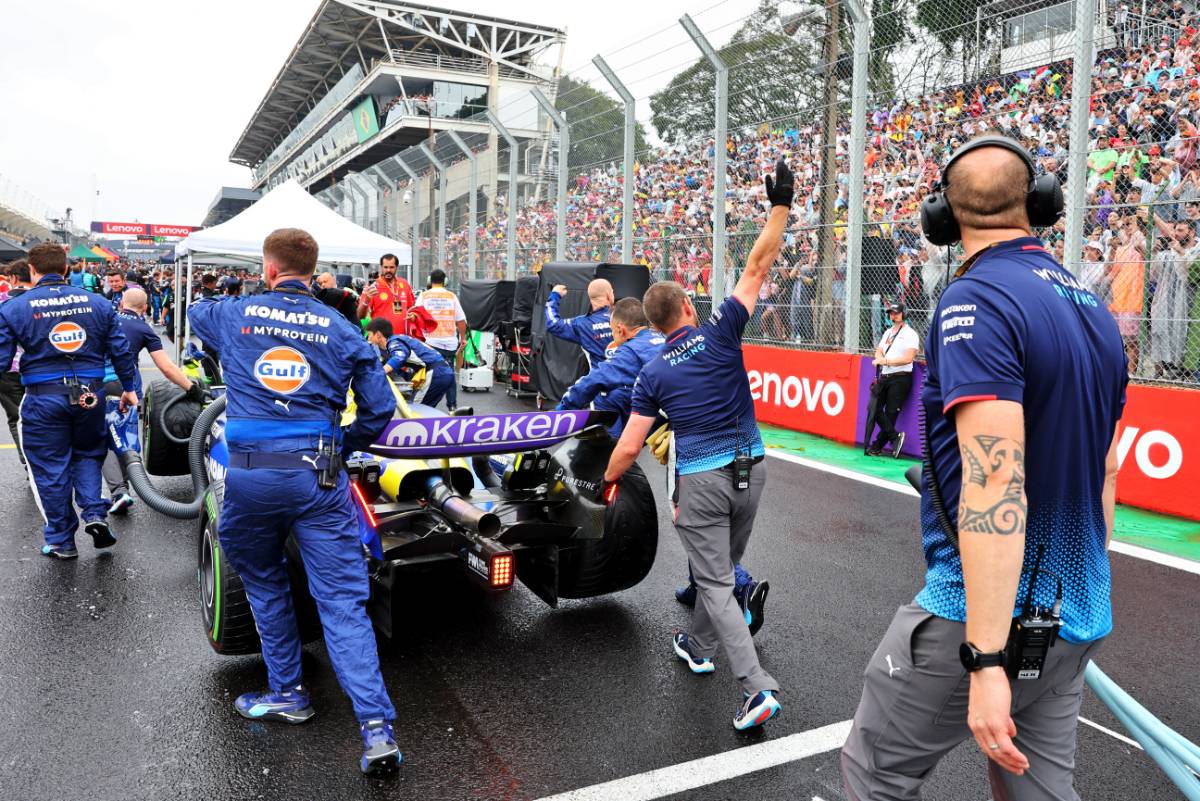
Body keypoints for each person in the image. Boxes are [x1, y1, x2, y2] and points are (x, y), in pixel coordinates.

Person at [841, 137, 1127, 801]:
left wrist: (988, 656)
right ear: (1040, 204)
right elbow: (1107, 468)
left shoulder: (975, 301)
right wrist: (1069, 592)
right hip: (1076, 612)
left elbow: (995, 481)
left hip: (976, 616)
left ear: (942, 217)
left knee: (874, 773)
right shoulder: (1096, 312)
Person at [188, 228, 401, 776]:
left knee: (263, 580)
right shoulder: (344, 328)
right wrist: (341, 446)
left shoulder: (235, 314)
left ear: (269, 268)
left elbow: (196, 312)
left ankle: (288, 692)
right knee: (342, 605)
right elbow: (378, 411)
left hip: (252, 477)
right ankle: (377, 731)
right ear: (314, 269)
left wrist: (248, 297)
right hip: (319, 478)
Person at [603, 158, 795, 731]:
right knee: (723, 570)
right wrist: (780, 206)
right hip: (752, 469)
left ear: (653, 325)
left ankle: (756, 687)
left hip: (702, 482)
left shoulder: (651, 373)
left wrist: (604, 484)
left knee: (714, 581)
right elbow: (758, 264)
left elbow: (629, 447)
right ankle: (698, 645)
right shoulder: (722, 329)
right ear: (688, 306)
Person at [0, 243, 138, 558]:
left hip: (43, 398)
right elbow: (120, 350)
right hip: (91, 395)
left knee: (50, 467)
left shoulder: (13, 308)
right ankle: (94, 513)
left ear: (32, 270)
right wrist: (129, 388)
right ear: (65, 269)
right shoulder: (99, 302)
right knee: (88, 454)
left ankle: (62, 540)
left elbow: (2, 359)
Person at [101, 288, 201, 514]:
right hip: (126, 386)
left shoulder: (105, 319)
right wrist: (191, 388)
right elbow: (166, 368)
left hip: (97, 383)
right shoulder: (144, 329)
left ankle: (119, 491)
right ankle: (122, 490)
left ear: (121, 303)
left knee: (105, 438)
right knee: (124, 436)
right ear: (145, 308)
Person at [555, 297, 665, 438]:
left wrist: (561, 411)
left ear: (620, 330)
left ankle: (611, 445)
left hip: (671, 417)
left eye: (612, 331)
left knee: (602, 395)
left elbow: (595, 379)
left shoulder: (630, 351)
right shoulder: (665, 338)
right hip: (680, 406)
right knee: (618, 394)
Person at [865, 302, 919, 457]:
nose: (893, 316)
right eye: (891, 313)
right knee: (873, 408)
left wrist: (886, 361)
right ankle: (895, 437)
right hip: (885, 376)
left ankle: (876, 447)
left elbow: (908, 358)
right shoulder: (888, 332)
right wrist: (880, 358)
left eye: (896, 313)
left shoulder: (910, 334)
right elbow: (879, 351)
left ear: (904, 314)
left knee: (890, 414)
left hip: (900, 378)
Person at [364, 317, 455, 409]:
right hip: (444, 371)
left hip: (436, 372)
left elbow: (398, 357)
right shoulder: (400, 339)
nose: (369, 338)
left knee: (414, 410)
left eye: (370, 334)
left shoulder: (394, 342)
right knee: (426, 409)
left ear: (378, 334)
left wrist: (377, 374)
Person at [415, 269, 467, 412]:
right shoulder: (452, 296)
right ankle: (452, 406)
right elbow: (461, 320)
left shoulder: (424, 296)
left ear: (429, 281)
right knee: (449, 374)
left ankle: (426, 407)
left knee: (429, 375)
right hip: (449, 344)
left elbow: (416, 316)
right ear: (445, 281)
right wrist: (463, 338)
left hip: (430, 343)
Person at [0, 259, 32, 464]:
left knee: (16, 418)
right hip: (38, 367)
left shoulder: (3, 301)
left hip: (8, 369)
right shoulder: (42, 298)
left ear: (13, 278)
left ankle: (28, 464)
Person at [545, 279, 614, 366]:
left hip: (600, 374)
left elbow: (553, 324)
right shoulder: (624, 316)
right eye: (612, 292)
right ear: (609, 295)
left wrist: (555, 295)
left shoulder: (581, 323)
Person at [356, 254, 415, 332]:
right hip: (381, 336)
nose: (388, 270)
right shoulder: (372, 287)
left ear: (396, 267)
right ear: (381, 267)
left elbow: (412, 309)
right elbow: (359, 316)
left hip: (402, 337)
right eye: (385, 267)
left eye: (391, 267)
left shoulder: (404, 284)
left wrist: (413, 315)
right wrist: (366, 300)